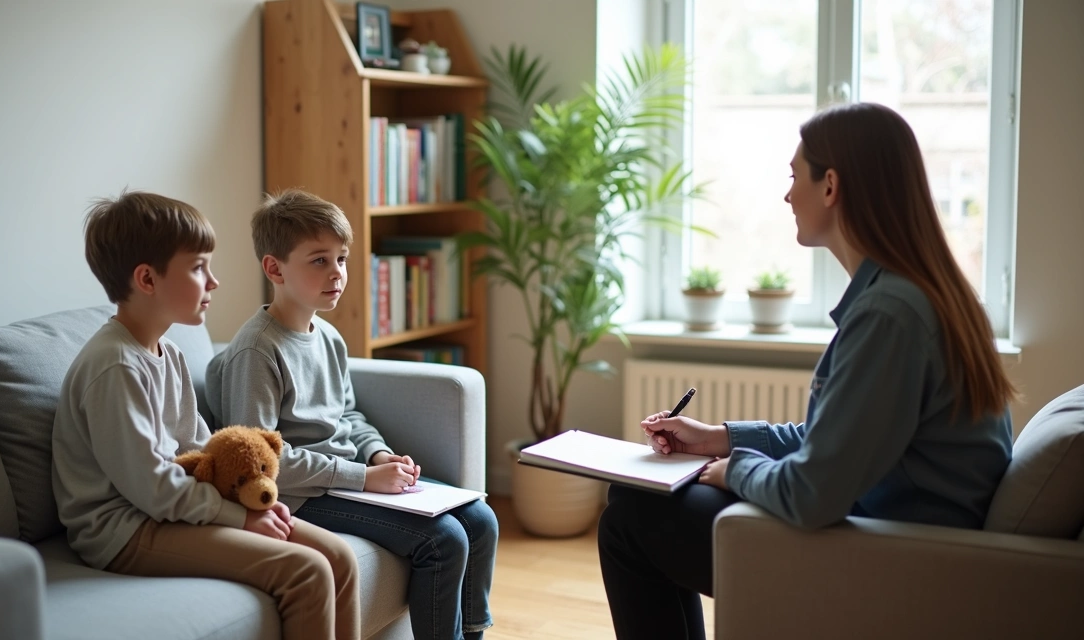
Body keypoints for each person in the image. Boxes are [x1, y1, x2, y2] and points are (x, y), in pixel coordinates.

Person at [597, 102, 1016, 640]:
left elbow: (812, 493)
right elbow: (839, 443)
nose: (788, 195)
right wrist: (718, 439)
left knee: (630, 519)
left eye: (795, 177)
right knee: (637, 498)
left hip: (894, 561)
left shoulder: (890, 315)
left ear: (831, 186)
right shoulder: (918, 295)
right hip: (894, 532)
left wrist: (736, 468)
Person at [51, 191, 360, 640]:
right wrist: (239, 518)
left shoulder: (168, 353)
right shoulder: (114, 366)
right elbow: (152, 487)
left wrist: (247, 499)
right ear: (147, 279)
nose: (213, 282)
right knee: (307, 571)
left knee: (340, 558)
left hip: (167, 510)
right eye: (198, 268)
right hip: (125, 529)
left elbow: (201, 450)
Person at [206, 189, 498, 640]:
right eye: (319, 260)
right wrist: (363, 478)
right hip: (302, 496)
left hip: (346, 480)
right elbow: (260, 463)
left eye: (341, 259)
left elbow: (348, 414)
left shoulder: (328, 336)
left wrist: (377, 455)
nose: (337, 273)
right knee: (443, 540)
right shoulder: (257, 351)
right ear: (275, 269)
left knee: (480, 520)